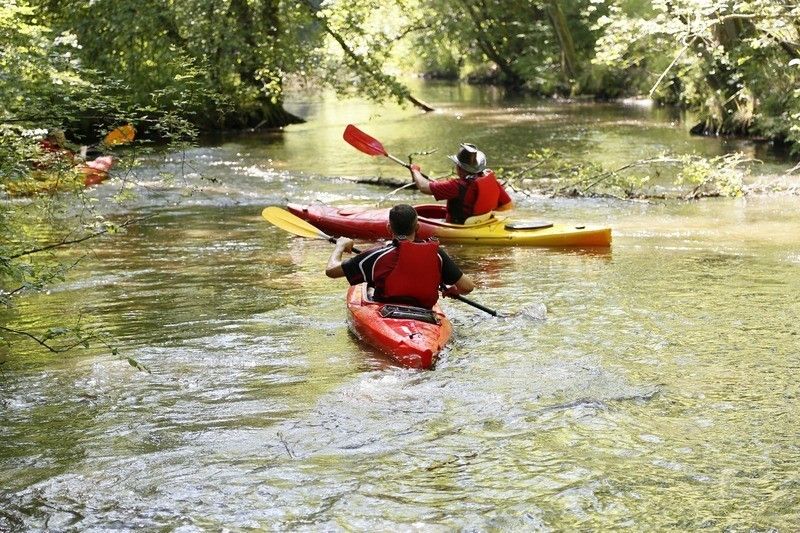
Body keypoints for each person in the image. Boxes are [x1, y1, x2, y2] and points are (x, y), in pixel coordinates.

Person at [325, 204, 475, 309]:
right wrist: (454, 289)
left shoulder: (376, 256)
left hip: (387, 315)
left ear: (389, 228)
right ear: (417, 227)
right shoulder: (436, 254)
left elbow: (331, 271)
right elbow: (467, 287)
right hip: (425, 317)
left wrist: (340, 245)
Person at [409, 143, 513, 224]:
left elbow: (423, 187)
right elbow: (508, 205)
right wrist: (483, 215)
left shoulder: (456, 186)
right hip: (483, 223)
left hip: (460, 226)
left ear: (459, 168)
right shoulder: (489, 179)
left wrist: (415, 171)